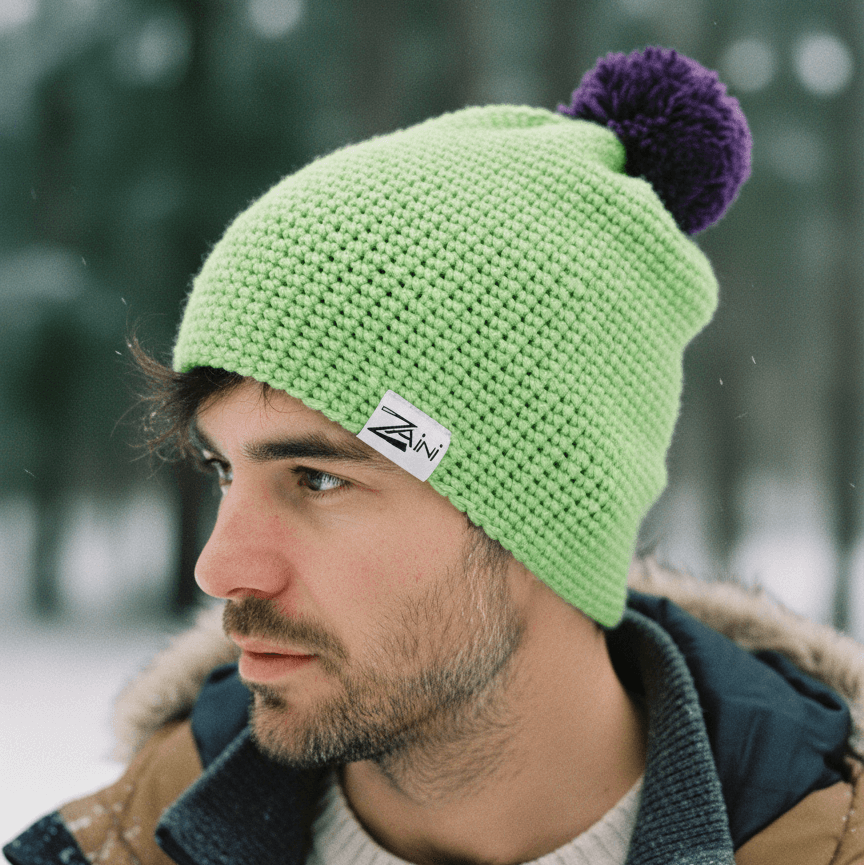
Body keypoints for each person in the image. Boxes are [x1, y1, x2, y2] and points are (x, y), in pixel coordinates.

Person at [6, 46, 864, 865]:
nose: (220, 566)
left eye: (318, 477)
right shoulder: (128, 841)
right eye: (226, 471)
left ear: (538, 515)